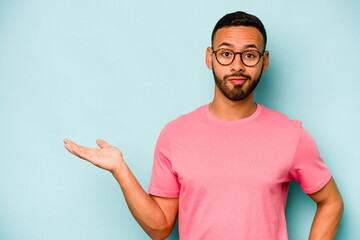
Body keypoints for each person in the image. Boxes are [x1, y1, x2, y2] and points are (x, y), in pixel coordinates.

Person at [64, 11, 344, 240]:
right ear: (210, 57)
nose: (237, 66)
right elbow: (160, 228)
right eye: (226, 54)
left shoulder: (290, 134)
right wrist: (120, 170)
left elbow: (331, 202)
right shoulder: (175, 135)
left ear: (264, 61)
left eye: (249, 55)